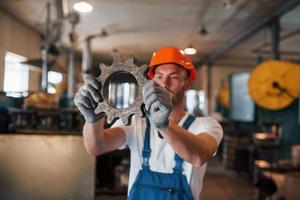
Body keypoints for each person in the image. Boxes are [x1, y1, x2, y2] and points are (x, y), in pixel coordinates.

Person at [74, 47, 223, 200]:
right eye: (159, 76)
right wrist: (93, 119)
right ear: (151, 81)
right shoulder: (136, 122)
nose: (165, 83)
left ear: (186, 85)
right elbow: (96, 147)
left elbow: (199, 156)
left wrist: (164, 125)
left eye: (174, 77)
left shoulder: (206, 125)